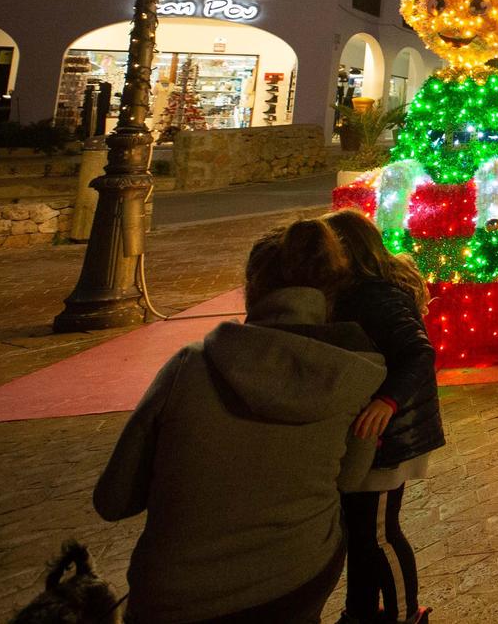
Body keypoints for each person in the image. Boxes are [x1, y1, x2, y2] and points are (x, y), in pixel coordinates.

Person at [93, 218, 383, 623]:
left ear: (252, 287)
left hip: (177, 598)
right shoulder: (354, 376)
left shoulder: (188, 368)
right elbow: (350, 481)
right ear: (333, 289)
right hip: (297, 578)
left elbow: (114, 499)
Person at [324, 209, 444, 624]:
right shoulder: (356, 292)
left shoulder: (378, 295)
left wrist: (387, 402)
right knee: (360, 532)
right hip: (372, 434)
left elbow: (419, 353)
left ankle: (406, 614)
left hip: (389, 436)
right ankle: (360, 611)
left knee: (378, 532)